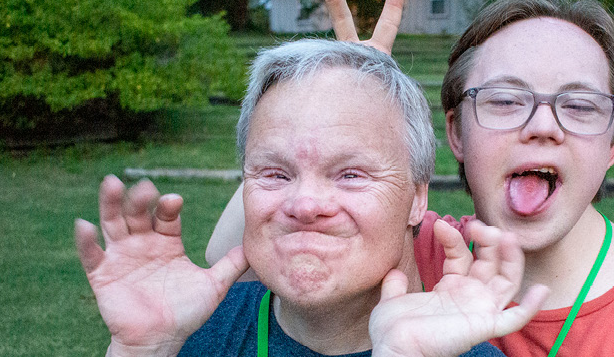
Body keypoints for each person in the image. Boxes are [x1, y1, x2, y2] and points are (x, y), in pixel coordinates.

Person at [208, 0, 614, 355]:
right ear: (456, 133)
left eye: (581, 106)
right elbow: (232, 257)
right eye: (505, 99)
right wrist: (341, 98)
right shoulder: (424, 251)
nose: (544, 127)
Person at [74, 39, 548, 357]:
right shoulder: (191, 336)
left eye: (350, 174)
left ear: (416, 198)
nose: (305, 204)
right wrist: (142, 350)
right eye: (276, 173)